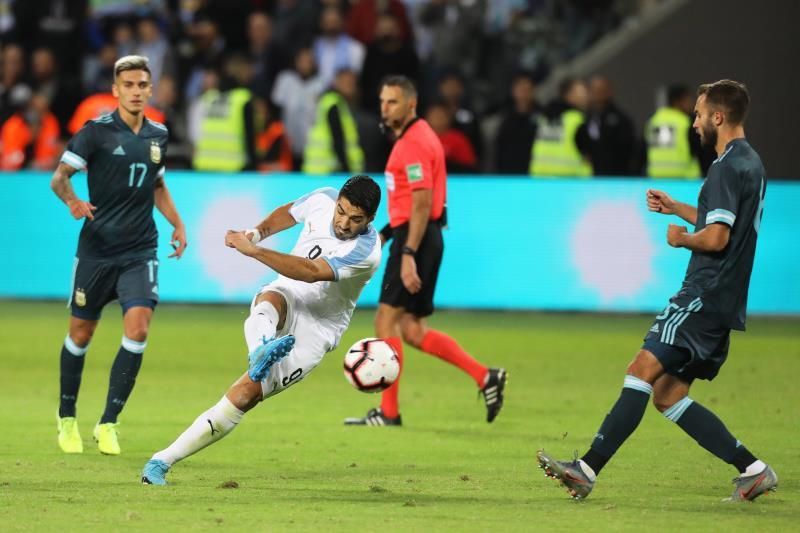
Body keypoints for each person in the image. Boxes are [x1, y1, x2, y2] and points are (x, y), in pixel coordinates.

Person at [537, 80, 776, 502]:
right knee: (668, 395)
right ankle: (753, 470)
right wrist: (679, 207)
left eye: (700, 115)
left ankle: (587, 469)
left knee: (641, 368)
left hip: (703, 294)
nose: (695, 122)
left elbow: (717, 238)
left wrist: (682, 237)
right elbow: (726, 222)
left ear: (718, 117)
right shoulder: (749, 162)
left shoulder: (724, 166)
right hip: (724, 302)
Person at [141, 176, 382, 485]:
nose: (344, 223)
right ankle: (259, 350)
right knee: (272, 299)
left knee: (244, 396)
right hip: (291, 293)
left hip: (320, 327)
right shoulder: (322, 199)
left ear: (370, 220)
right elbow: (289, 211)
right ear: (336, 202)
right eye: (342, 211)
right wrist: (255, 233)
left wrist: (253, 250)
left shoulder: (367, 251)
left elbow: (311, 272)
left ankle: (162, 459)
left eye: (355, 219)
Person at [345, 76, 506, 427]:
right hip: (418, 236)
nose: (385, 108)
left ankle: (388, 413)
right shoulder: (415, 139)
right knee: (412, 329)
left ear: (411, 104)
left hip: (416, 239)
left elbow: (421, 204)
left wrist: (407, 253)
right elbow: (414, 206)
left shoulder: (414, 143)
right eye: (382, 101)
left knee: (385, 320)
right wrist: (387, 234)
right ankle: (484, 376)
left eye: (392, 102)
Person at [51, 55, 187, 456]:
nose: (136, 91)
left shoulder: (158, 135)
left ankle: (109, 422)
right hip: (96, 252)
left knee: (139, 328)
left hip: (139, 250)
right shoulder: (95, 133)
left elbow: (157, 186)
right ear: (116, 90)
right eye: (128, 85)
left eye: (142, 85)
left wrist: (177, 224)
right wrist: (74, 202)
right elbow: (59, 178)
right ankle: (67, 416)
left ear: (150, 88)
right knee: (81, 334)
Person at [302, 69, 365, 175]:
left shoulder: (333, 102)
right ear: (336, 82)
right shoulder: (333, 103)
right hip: (326, 172)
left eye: (352, 83)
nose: (350, 86)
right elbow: (337, 138)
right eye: (346, 82)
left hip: (320, 170)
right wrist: (346, 169)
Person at [530, 77, 591, 177]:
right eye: (581, 92)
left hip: (541, 178)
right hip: (570, 180)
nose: (586, 96)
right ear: (568, 94)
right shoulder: (576, 119)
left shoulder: (545, 117)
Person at [645, 84, 703, 179]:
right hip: (684, 180)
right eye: (687, 100)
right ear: (678, 101)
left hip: (656, 178)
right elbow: (698, 149)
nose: (692, 105)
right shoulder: (686, 122)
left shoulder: (653, 121)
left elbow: (643, 152)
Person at [584, 75, 635, 176]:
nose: (597, 94)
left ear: (609, 91)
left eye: (601, 90)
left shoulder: (620, 118)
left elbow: (628, 148)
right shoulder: (586, 117)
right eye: (594, 90)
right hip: (591, 175)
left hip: (616, 175)